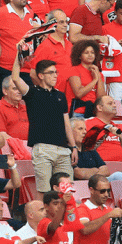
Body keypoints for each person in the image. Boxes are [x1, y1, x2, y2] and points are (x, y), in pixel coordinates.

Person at [11, 50, 77, 199]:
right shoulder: (32, 93)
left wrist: (73, 147)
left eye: (56, 72)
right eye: (51, 72)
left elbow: (66, 123)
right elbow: (15, 77)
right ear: (41, 75)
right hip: (43, 149)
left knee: (67, 193)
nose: (55, 75)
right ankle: (45, 222)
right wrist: (18, 56)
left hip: (63, 149)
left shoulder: (60, 95)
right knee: (45, 193)